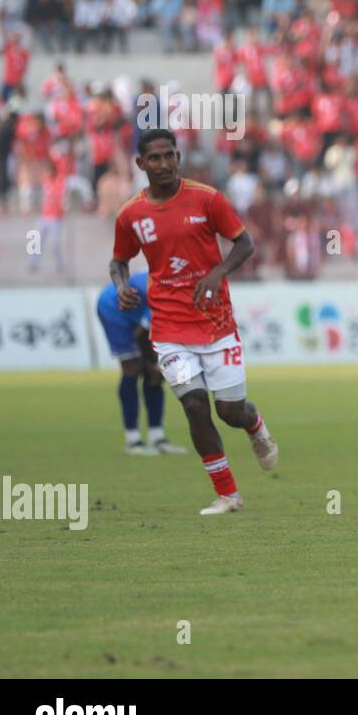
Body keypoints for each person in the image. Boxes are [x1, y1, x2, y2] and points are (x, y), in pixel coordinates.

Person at [110, 128, 279, 516]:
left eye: (170, 155)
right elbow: (119, 260)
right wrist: (121, 286)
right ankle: (228, 494)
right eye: (155, 158)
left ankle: (255, 427)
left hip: (216, 323)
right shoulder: (131, 214)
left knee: (230, 412)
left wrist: (218, 273)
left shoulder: (207, 199)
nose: (164, 163)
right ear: (141, 164)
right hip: (169, 329)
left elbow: (245, 243)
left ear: (178, 158)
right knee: (195, 406)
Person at [95, 271, 184, 456]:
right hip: (114, 307)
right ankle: (133, 441)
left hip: (139, 311)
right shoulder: (163, 292)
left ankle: (157, 437)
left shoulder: (181, 287)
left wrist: (156, 364)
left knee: (156, 375)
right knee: (133, 368)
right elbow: (142, 334)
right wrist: (152, 361)